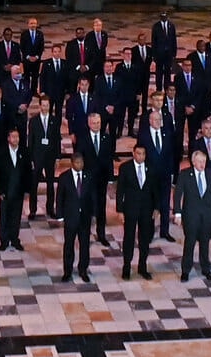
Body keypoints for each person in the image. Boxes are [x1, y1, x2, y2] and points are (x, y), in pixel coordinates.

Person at [116, 141, 156, 279]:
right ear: (133, 153)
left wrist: (156, 208)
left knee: (144, 239)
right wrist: (120, 210)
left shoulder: (151, 167)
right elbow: (120, 190)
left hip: (146, 209)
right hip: (130, 209)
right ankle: (126, 267)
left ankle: (142, 267)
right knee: (129, 238)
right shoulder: (125, 168)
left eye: (143, 154)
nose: (141, 156)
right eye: (138, 153)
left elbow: (155, 189)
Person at [178, 146, 211, 282]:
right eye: (199, 161)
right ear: (193, 162)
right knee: (189, 243)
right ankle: (185, 271)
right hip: (191, 215)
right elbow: (178, 195)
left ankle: (206, 269)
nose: (202, 164)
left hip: (206, 215)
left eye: (204, 161)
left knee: (205, 243)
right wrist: (177, 213)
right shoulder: (185, 174)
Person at [140, 103, 179, 241]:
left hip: (165, 174)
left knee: (165, 204)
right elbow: (141, 155)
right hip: (150, 176)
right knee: (151, 204)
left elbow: (171, 154)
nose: (158, 122)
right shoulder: (143, 136)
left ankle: (165, 231)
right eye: (155, 120)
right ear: (150, 121)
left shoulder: (167, 134)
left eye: (159, 120)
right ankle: (149, 232)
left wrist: (172, 171)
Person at [77, 111, 115, 244]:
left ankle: (101, 234)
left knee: (101, 208)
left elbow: (109, 159)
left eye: (98, 123)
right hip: (88, 180)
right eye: (94, 123)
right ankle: (85, 235)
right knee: (87, 208)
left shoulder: (106, 138)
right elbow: (79, 159)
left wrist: (111, 178)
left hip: (102, 179)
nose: (97, 125)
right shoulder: (83, 139)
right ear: (89, 124)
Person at [58, 149, 94, 283]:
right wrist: (60, 216)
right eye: (77, 163)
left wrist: (93, 214)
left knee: (84, 245)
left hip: (84, 217)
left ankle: (83, 270)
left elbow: (93, 196)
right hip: (70, 217)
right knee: (69, 245)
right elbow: (60, 198)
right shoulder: (64, 177)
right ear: (72, 163)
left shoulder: (88, 176)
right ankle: (67, 271)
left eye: (81, 162)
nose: (80, 165)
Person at [0, 126, 29, 252]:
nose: (16, 139)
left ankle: (14, 239)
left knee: (16, 216)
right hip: (5, 191)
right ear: (8, 138)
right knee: (4, 217)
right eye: (13, 137)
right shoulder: (1, 152)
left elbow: (28, 172)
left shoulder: (24, 152)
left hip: (18, 191)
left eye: (17, 137)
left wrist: (27, 190)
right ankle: (4, 241)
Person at [150, 10, 179, 92]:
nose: (164, 18)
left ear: (167, 17)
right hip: (159, 54)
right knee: (159, 72)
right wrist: (154, 54)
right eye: (162, 16)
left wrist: (174, 53)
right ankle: (158, 88)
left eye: (165, 16)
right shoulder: (156, 26)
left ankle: (167, 87)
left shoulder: (171, 26)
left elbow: (174, 40)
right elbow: (153, 41)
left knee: (167, 71)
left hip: (169, 54)